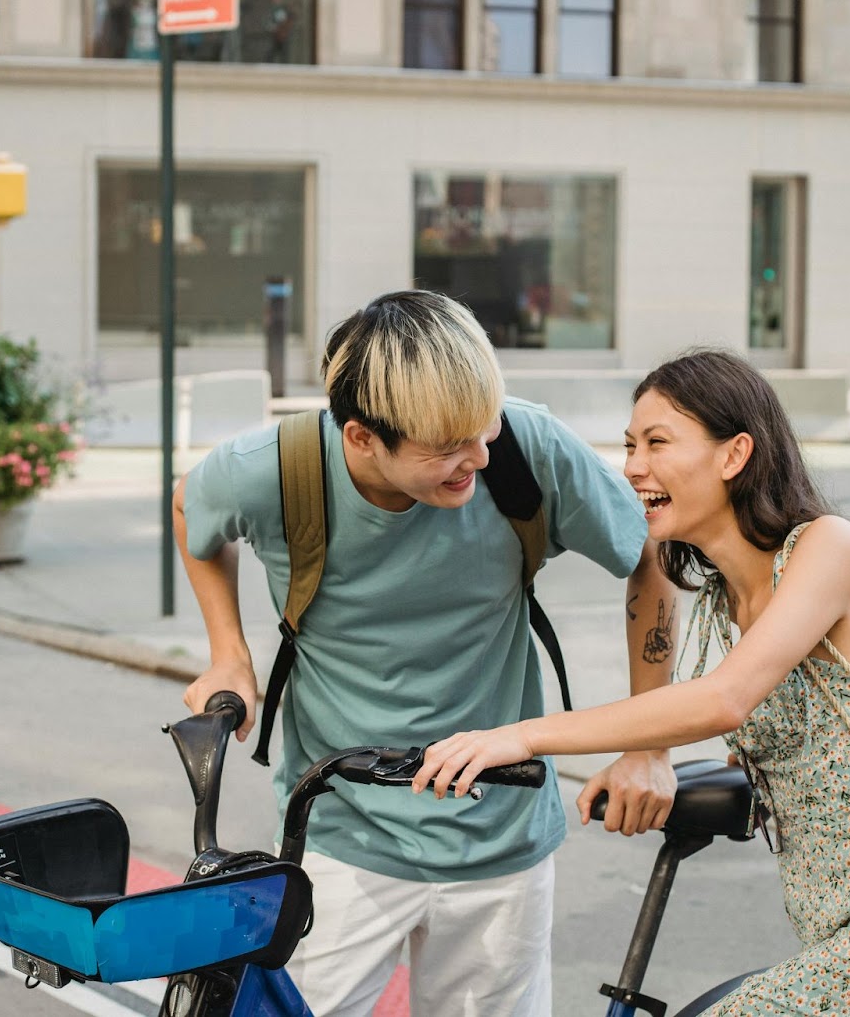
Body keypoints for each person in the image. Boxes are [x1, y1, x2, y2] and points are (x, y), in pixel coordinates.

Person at [414, 349, 850, 1017]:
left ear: (734, 454)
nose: (633, 466)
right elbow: (786, 748)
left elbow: (722, 699)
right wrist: (644, 765)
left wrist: (521, 737)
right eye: (630, 445)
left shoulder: (826, 547)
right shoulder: (722, 599)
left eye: (658, 442)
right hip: (833, 935)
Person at [173, 290, 679, 1017]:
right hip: (344, 831)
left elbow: (650, 552)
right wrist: (229, 654)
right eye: (447, 446)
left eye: (484, 430)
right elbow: (190, 502)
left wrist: (648, 743)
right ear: (360, 438)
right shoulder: (274, 470)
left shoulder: (524, 448)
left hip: (502, 834)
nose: (477, 456)